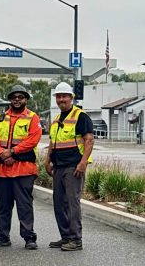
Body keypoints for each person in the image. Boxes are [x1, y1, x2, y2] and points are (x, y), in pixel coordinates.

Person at [0, 85, 42, 250]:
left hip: (23, 170)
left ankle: (29, 238)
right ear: (10, 99)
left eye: (20, 97)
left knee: (24, 206)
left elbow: (33, 139)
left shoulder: (33, 118)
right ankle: (2, 236)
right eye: (14, 97)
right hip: (2, 171)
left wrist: (12, 152)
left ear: (26, 99)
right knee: (3, 206)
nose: (17, 99)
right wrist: (3, 154)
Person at [44, 82, 94, 251]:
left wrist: (83, 163)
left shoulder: (81, 116)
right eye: (58, 96)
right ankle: (66, 237)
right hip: (59, 166)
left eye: (64, 96)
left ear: (71, 98)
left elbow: (89, 140)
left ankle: (76, 239)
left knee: (73, 204)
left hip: (74, 167)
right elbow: (53, 141)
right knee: (59, 203)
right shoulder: (57, 118)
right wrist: (47, 160)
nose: (61, 99)